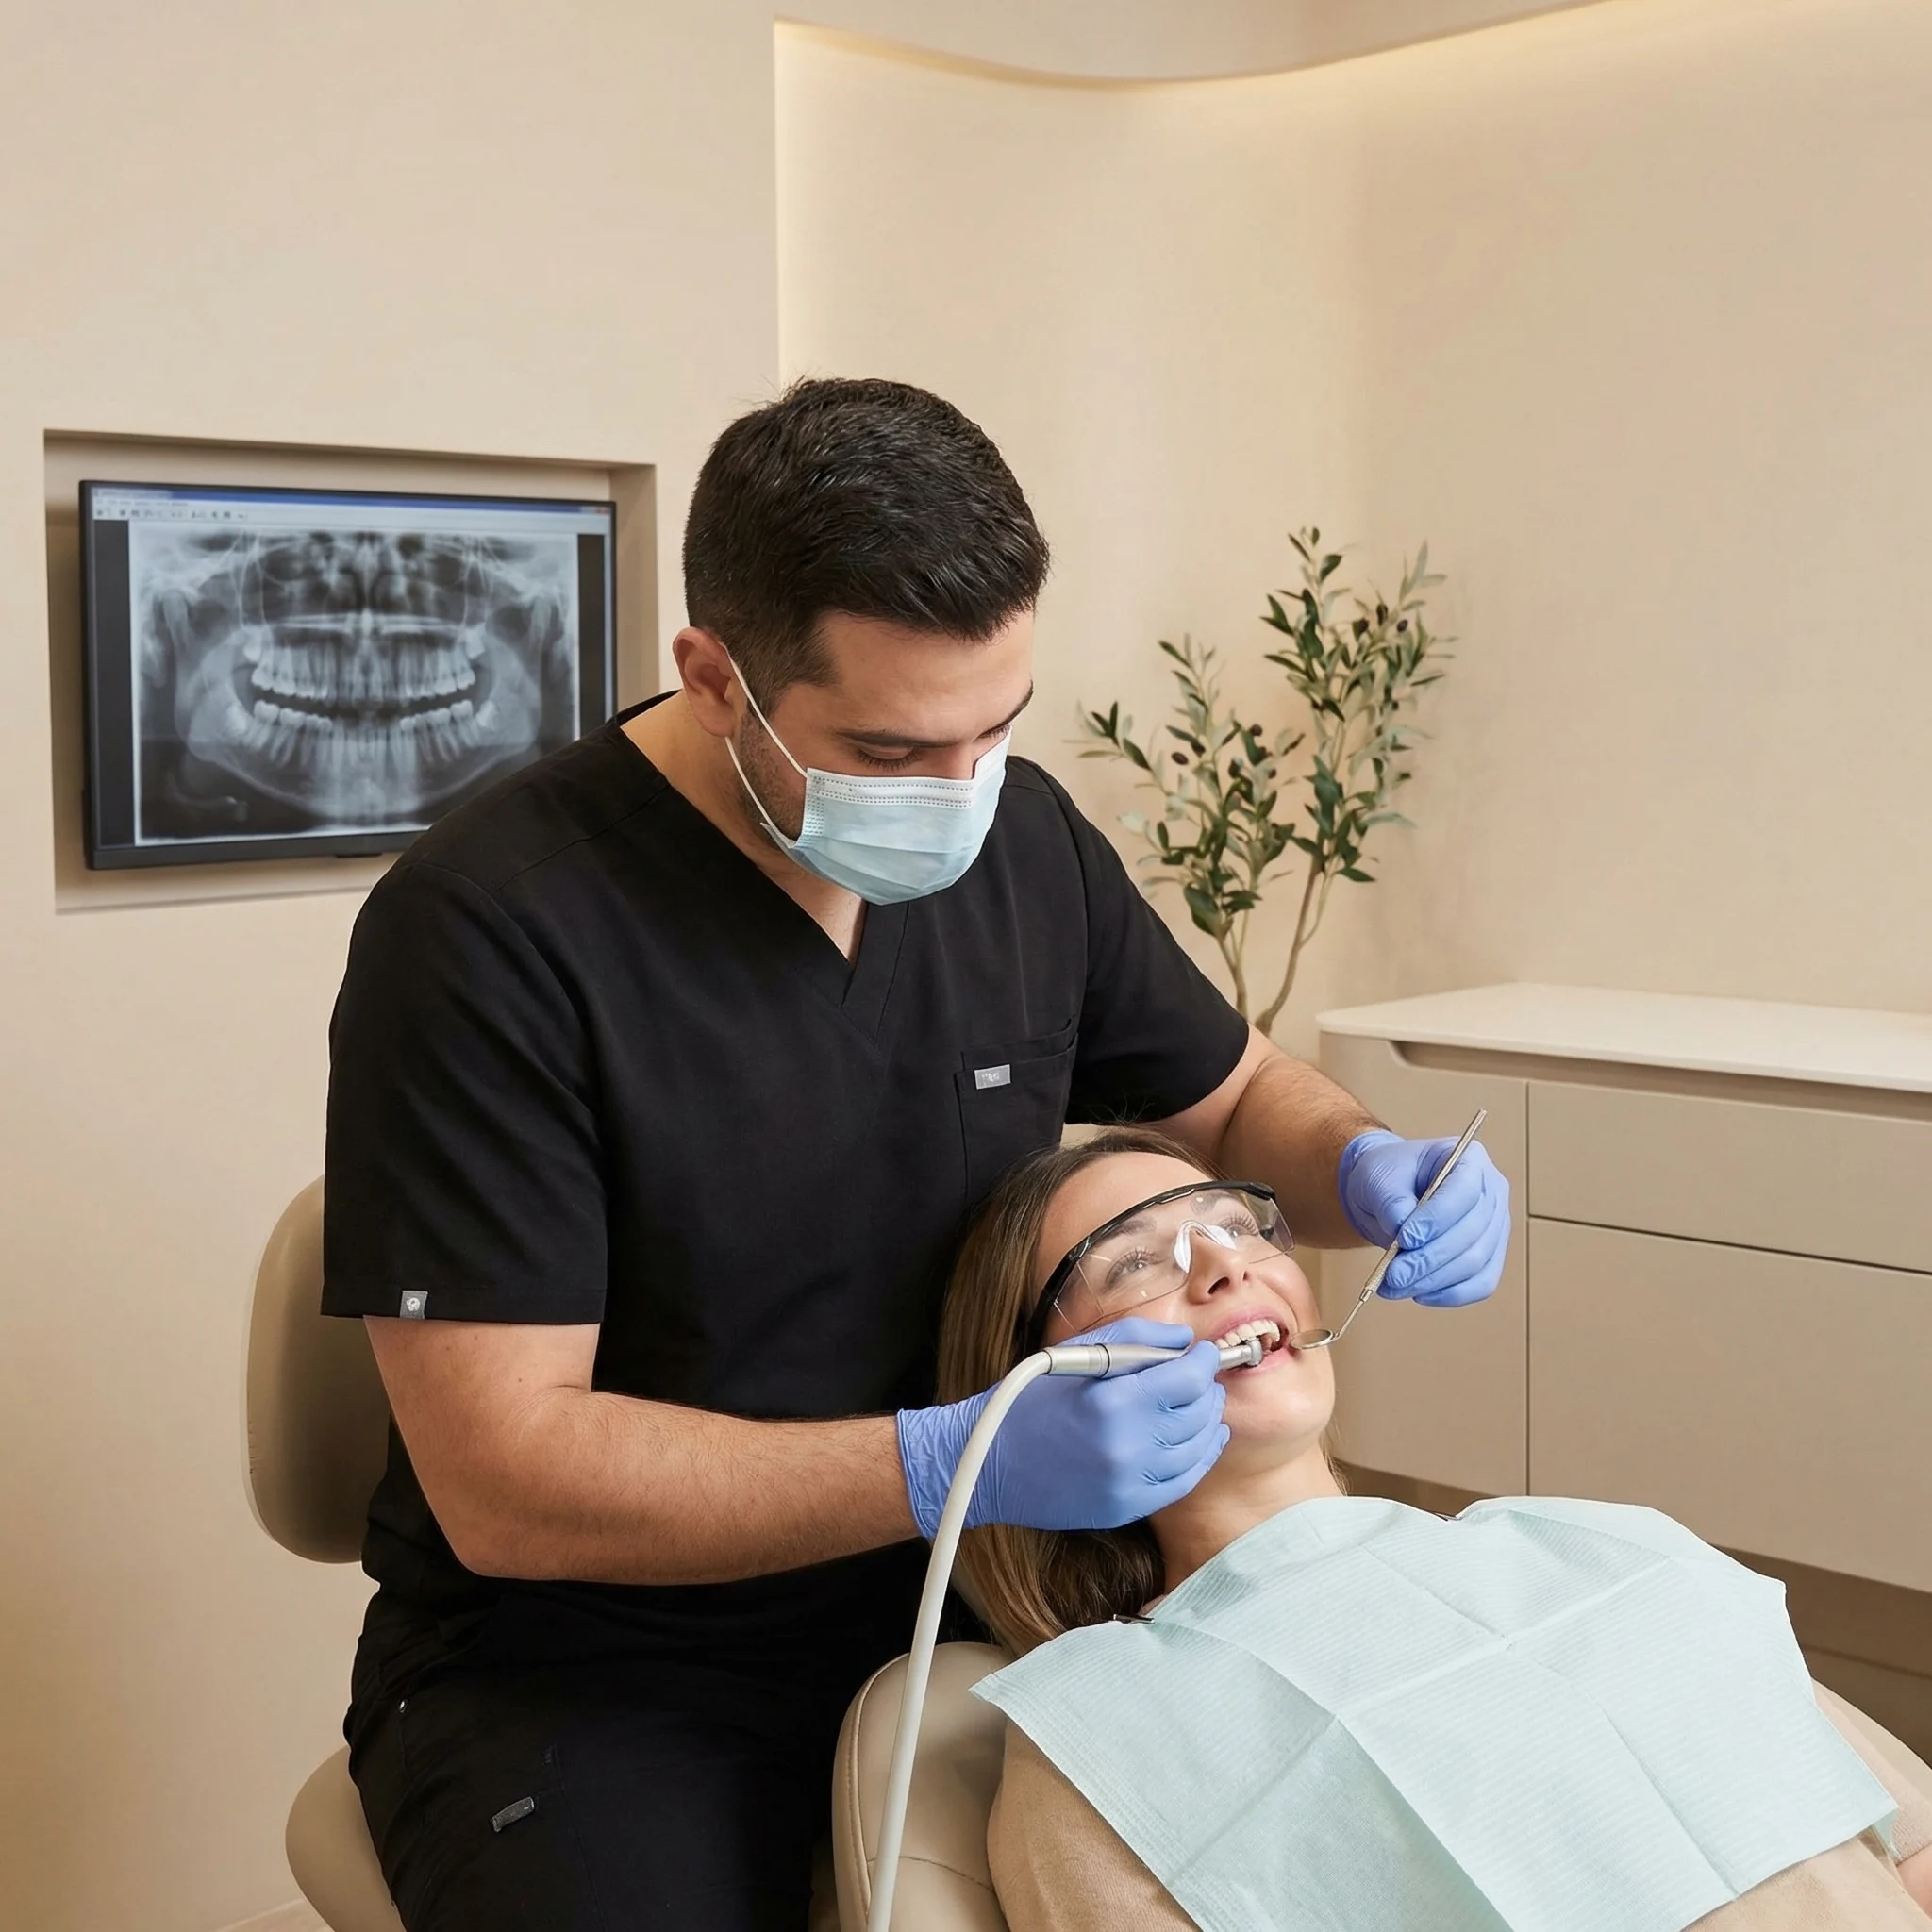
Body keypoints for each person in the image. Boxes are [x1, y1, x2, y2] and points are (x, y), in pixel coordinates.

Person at [319, 377, 1512, 1931]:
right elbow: (507, 1479)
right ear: (715, 677)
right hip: (603, 1667)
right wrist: (949, 1462)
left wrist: (1358, 1163)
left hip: (1008, 1598)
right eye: (887, 749)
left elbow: (1233, 1102)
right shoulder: (487, 933)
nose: (957, 796)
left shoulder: (1023, 842)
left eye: (993, 731)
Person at [934, 1126, 1932, 1930]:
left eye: (1236, 1225)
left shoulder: (1598, 1547)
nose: (1225, 1269)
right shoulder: (1099, 1736)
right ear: (1038, 1383)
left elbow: (1912, 1852)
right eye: (1134, 1264)